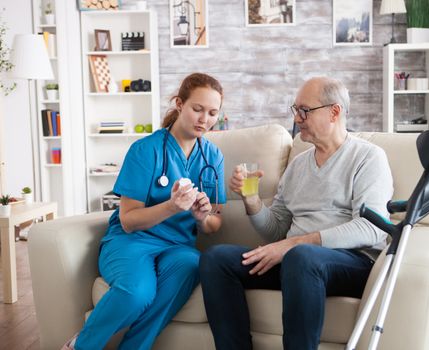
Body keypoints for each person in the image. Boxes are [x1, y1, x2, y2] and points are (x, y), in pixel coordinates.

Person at [199, 77, 394, 350]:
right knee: (216, 259)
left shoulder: (368, 157)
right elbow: (277, 229)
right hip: (296, 263)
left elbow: (372, 228)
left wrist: (293, 245)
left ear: (334, 112)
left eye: (305, 110)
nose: (297, 118)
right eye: (296, 110)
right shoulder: (299, 165)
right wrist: (251, 200)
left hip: (352, 262)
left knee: (301, 257)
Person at [62, 73, 227, 350]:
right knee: (137, 294)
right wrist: (171, 206)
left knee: (192, 264)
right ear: (179, 104)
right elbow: (128, 221)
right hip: (132, 241)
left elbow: (215, 223)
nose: (204, 119)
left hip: (178, 246)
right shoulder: (145, 150)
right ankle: (82, 345)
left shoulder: (213, 156)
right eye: (197, 109)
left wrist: (202, 218)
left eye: (212, 113)